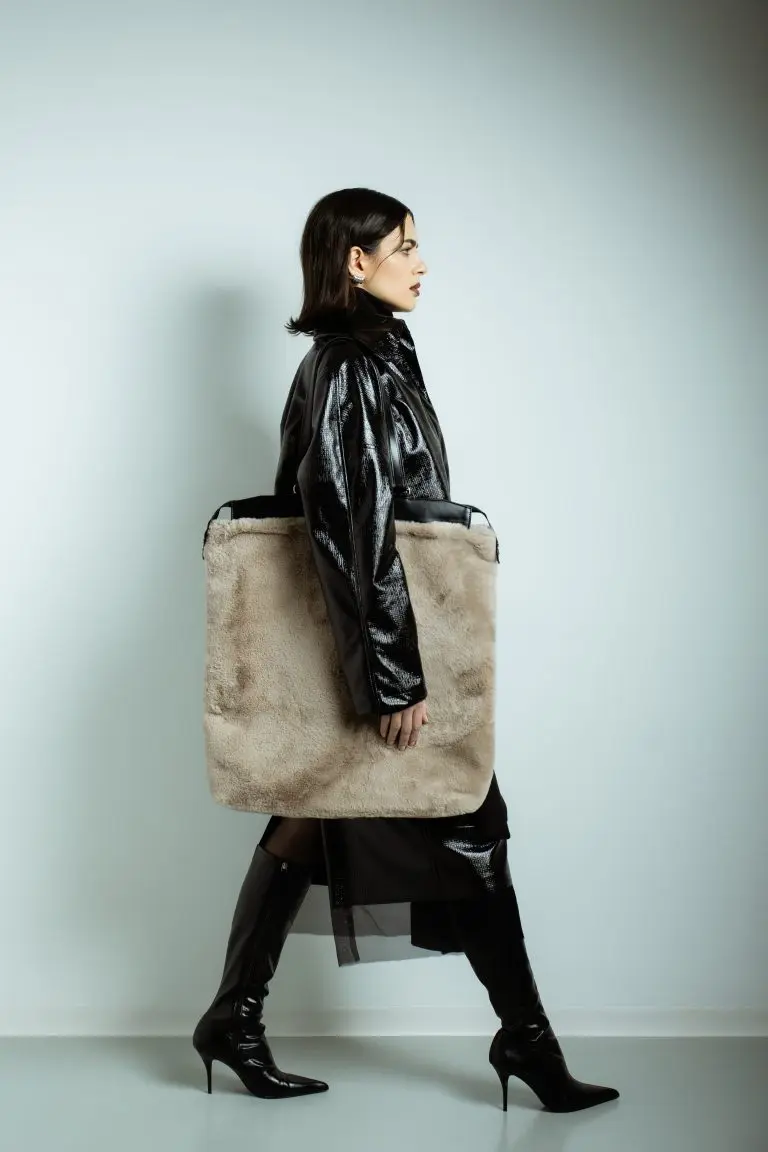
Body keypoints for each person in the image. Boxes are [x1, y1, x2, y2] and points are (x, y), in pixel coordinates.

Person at [192, 188, 620, 1114]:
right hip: (382, 650)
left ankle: (233, 1018)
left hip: (379, 642)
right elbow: (353, 523)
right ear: (358, 262)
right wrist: (391, 678)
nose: (423, 263)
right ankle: (527, 1043)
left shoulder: (375, 356)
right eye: (406, 246)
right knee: (469, 819)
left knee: (314, 811)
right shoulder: (349, 365)